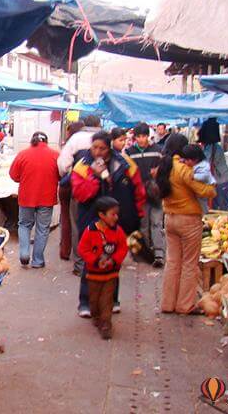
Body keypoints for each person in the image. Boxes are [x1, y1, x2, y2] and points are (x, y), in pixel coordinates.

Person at [71, 131, 146, 318]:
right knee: (91, 261)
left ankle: (112, 300)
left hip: (117, 221)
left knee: (113, 260)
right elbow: (80, 194)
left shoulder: (125, 164)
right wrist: (95, 178)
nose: (97, 152)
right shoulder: (82, 166)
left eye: (102, 148)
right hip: (91, 220)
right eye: (94, 147)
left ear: (109, 148)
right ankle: (86, 302)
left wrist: (137, 215)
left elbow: (138, 190)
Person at [155, 134, 217, 314]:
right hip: (188, 220)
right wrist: (212, 188)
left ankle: (167, 304)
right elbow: (204, 191)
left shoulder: (164, 166)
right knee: (189, 263)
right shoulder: (183, 169)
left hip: (170, 218)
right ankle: (185, 305)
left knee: (172, 262)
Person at [78, 196, 128, 339]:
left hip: (111, 274)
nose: (116, 217)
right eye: (113, 214)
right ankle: (97, 316)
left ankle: (106, 323)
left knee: (107, 300)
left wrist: (114, 260)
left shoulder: (118, 231)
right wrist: (95, 261)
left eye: (117, 214)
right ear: (101, 215)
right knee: (94, 301)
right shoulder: (90, 231)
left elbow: (123, 248)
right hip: (93, 274)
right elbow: (83, 249)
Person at [57, 116, 102, 275]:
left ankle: (80, 264)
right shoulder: (106, 138)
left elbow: (63, 164)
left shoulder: (76, 139)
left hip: (79, 188)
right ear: (98, 124)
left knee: (77, 224)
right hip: (101, 191)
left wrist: (70, 174)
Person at [9, 132, 60, 268]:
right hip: (47, 198)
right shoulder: (55, 155)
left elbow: (14, 175)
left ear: (32, 141)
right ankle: (37, 260)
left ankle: (24, 254)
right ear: (46, 141)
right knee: (42, 228)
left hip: (26, 197)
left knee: (24, 225)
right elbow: (61, 175)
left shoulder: (23, 154)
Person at [126, 123, 165, 267]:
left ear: (148, 136)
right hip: (139, 194)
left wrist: (158, 173)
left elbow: (164, 169)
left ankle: (159, 254)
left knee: (156, 223)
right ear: (135, 138)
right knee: (143, 224)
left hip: (155, 193)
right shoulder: (129, 152)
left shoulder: (158, 151)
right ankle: (146, 253)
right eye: (138, 137)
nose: (141, 139)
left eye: (144, 136)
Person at [58, 121, 85, 261]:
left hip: (71, 184)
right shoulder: (97, 139)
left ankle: (66, 251)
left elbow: (63, 165)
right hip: (90, 186)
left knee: (68, 218)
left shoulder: (73, 141)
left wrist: (67, 174)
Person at [198, 118, 228, 211]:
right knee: (218, 205)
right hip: (219, 179)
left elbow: (205, 162)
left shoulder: (212, 147)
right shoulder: (212, 146)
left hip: (221, 180)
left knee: (223, 206)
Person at [181, 144, 216, 214]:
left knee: (202, 204)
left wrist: (193, 176)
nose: (186, 162)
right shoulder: (194, 164)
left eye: (187, 160)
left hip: (205, 187)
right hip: (199, 189)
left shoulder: (203, 165)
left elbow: (204, 176)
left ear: (195, 159)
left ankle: (204, 213)